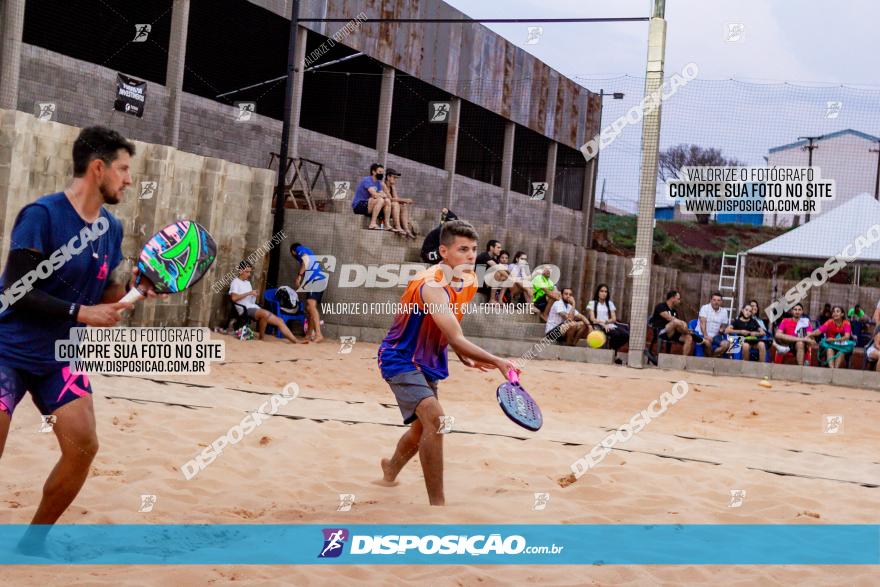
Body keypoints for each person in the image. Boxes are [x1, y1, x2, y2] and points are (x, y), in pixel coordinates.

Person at [0, 127, 162, 548]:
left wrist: (136, 288)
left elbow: (107, 292)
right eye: (124, 169)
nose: (129, 179)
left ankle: (32, 543)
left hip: (60, 358)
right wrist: (81, 312)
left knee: (83, 447)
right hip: (8, 350)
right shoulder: (43, 215)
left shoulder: (111, 228)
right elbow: (15, 291)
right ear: (98, 168)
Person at [376, 220, 520, 506]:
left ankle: (391, 468)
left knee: (421, 429)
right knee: (437, 420)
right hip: (400, 357)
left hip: (430, 361)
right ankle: (437, 506)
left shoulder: (468, 281)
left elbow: (452, 330)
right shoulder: (431, 285)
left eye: (474, 250)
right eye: (462, 249)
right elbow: (454, 334)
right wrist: (496, 360)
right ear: (443, 251)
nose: (470, 256)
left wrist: (462, 352)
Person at [229, 261, 306, 344]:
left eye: (250, 272)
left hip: (252, 307)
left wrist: (253, 296)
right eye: (247, 272)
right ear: (240, 271)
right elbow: (234, 298)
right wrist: (249, 293)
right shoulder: (235, 282)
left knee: (279, 320)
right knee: (264, 314)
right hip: (244, 309)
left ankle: (294, 340)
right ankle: (261, 339)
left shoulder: (248, 283)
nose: (249, 274)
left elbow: (250, 301)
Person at [290, 242, 325, 343]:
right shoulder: (308, 251)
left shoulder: (299, 249)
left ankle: (318, 334)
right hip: (316, 281)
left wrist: (299, 276)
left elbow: (306, 260)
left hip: (315, 280)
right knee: (309, 308)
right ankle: (309, 335)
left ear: (293, 251)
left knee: (311, 306)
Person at [586, 283, 630, 351]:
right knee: (616, 334)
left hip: (609, 325)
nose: (604, 293)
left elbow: (614, 318)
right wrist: (603, 324)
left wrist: (606, 322)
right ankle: (612, 351)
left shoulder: (609, 303)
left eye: (605, 291)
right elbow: (592, 319)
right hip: (598, 325)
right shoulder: (592, 303)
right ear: (598, 292)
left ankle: (613, 349)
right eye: (602, 291)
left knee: (626, 335)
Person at [649, 290, 694, 356]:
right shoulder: (661, 306)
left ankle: (683, 361)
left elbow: (678, 326)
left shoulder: (674, 311)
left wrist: (684, 328)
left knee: (689, 338)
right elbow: (668, 318)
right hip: (661, 332)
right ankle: (687, 331)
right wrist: (683, 323)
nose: (679, 301)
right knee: (676, 322)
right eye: (678, 299)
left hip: (672, 333)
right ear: (672, 298)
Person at [351, 163, 390, 230]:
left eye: (382, 172)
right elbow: (375, 194)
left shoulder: (378, 183)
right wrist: (380, 195)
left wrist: (381, 194)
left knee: (387, 201)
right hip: (359, 205)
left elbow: (385, 195)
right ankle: (372, 223)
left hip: (369, 205)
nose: (381, 174)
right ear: (373, 172)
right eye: (380, 172)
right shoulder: (367, 180)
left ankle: (386, 224)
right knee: (380, 200)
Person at [383, 168, 416, 238]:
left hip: (391, 208)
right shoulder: (383, 184)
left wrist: (403, 201)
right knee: (396, 204)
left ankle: (406, 229)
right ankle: (397, 226)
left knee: (402, 205)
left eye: (396, 178)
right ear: (388, 177)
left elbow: (396, 199)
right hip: (384, 208)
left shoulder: (392, 186)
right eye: (394, 177)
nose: (395, 179)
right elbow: (391, 199)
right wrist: (404, 200)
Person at [697, 292, 731, 357]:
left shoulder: (724, 311)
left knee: (726, 344)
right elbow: (702, 323)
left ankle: (711, 356)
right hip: (702, 334)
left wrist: (722, 330)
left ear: (721, 302)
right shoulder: (705, 308)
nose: (716, 302)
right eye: (714, 300)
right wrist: (706, 335)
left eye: (718, 300)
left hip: (716, 336)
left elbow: (723, 326)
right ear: (711, 300)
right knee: (707, 343)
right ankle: (712, 358)